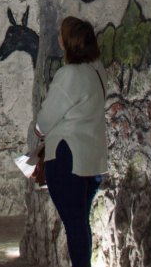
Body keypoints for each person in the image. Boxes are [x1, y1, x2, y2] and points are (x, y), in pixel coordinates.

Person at [35, 16, 108, 267]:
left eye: (61, 35)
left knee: (74, 223)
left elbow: (45, 121)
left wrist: (38, 128)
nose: (58, 39)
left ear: (70, 42)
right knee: (80, 221)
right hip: (92, 159)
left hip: (69, 158)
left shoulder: (69, 75)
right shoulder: (97, 70)